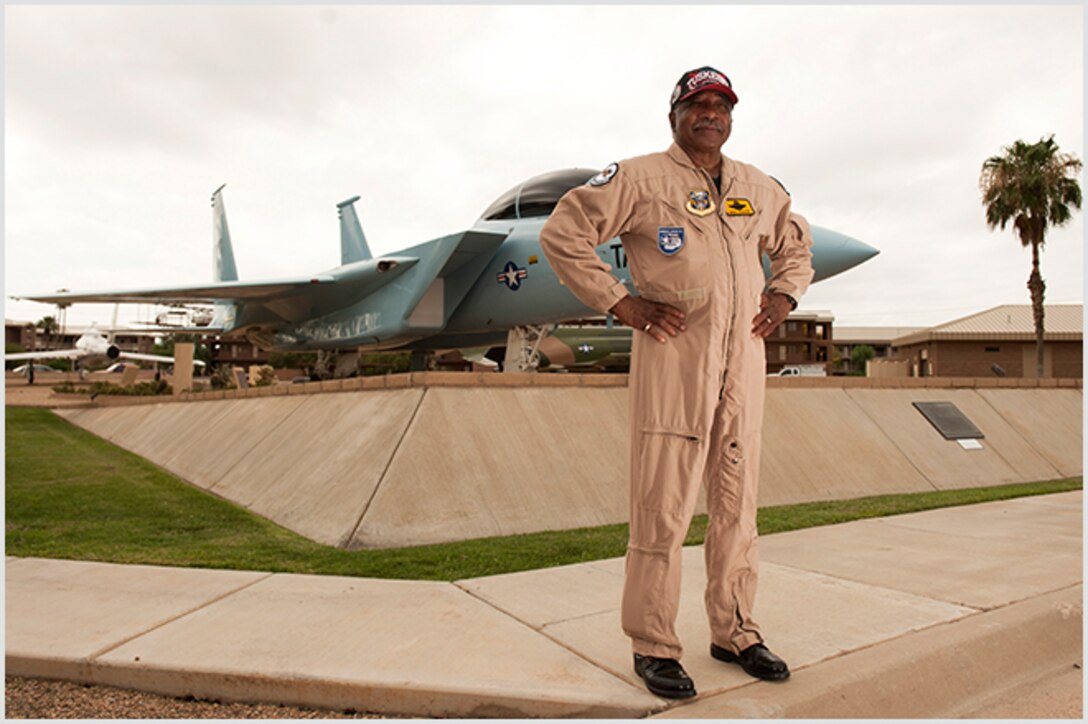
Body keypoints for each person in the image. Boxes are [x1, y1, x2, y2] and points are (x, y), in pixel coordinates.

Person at [539, 66, 814, 699]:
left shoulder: (759, 187)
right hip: (673, 360)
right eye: (698, 104)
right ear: (676, 115)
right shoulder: (638, 178)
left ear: (731, 118)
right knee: (662, 507)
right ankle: (654, 644)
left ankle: (736, 630)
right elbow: (564, 233)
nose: (710, 114)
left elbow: (795, 248)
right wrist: (622, 303)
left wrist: (783, 295)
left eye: (721, 106)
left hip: (742, 365)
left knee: (737, 507)